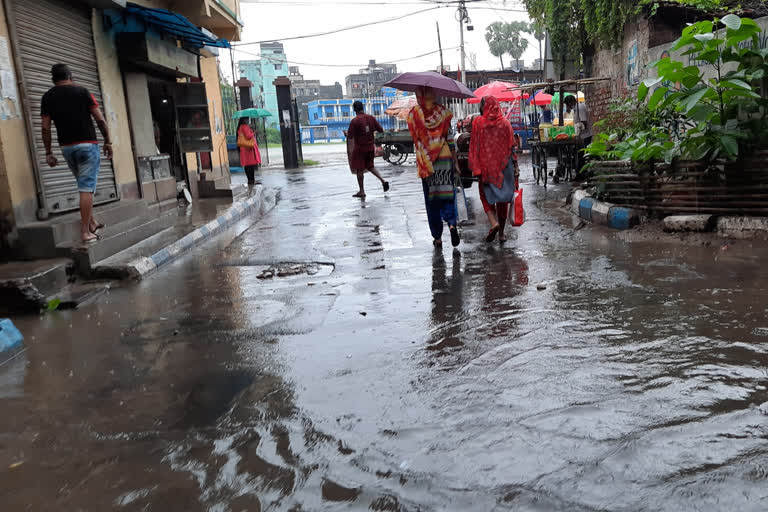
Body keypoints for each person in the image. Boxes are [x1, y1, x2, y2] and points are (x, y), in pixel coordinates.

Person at [41, 63, 112, 244]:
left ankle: (93, 223)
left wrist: (49, 152)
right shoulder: (82, 92)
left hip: (67, 148)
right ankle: (85, 232)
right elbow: (100, 120)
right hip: (87, 145)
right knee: (86, 188)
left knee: (83, 185)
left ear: (53, 79)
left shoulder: (47, 97)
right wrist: (108, 141)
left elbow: (45, 128)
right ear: (70, 76)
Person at [407, 87, 460, 248]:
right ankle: (451, 224)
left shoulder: (414, 114)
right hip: (444, 159)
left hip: (426, 162)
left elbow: (415, 138)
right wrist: (456, 162)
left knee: (432, 200)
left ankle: (437, 237)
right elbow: (450, 139)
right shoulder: (443, 112)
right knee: (447, 194)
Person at [469, 96, 519, 243]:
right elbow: (512, 147)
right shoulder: (506, 123)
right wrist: (516, 167)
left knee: (485, 196)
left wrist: (475, 165)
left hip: (485, 168)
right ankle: (502, 234)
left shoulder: (478, 122)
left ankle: (493, 222)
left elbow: (474, 145)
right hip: (504, 168)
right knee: (502, 199)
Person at [346, 100, 389, 198]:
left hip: (360, 149)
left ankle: (362, 191)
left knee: (359, 169)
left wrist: (346, 134)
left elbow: (351, 136)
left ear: (354, 110)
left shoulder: (355, 121)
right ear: (362, 108)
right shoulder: (371, 118)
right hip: (370, 147)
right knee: (370, 166)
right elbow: (380, 129)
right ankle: (383, 180)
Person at [564, 95, 592, 173]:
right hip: (582, 135)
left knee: (582, 155)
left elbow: (584, 122)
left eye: (567, 104)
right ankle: (581, 172)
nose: (568, 106)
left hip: (585, 135)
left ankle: (583, 173)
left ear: (571, 102)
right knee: (580, 155)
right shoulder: (576, 109)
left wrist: (578, 129)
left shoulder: (580, 108)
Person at [237, 117, 262, 194]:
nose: (248, 120)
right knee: (250, 166)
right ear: (244, 119)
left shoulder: (240, 127)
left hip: (245, 149)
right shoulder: (244, 126)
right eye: (247, 119)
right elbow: (248, 136)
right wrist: (254, 132)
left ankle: (250, 180)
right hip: (248, 149)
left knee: (248, 165)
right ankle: (251, 180)